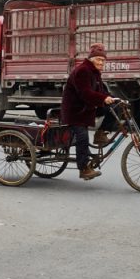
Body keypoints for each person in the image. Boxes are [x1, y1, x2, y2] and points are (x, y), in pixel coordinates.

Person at [61, 43, 118, 180]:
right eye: (99, 60)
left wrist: (111, 98)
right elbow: (85, 93)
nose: (101, 63)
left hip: (87, 108)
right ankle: (84, 169)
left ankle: (101, 133)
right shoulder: (83, 71)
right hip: (75, 111)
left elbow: (101, 90)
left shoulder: (94, 72)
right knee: (82, 137)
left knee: (116, 108)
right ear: (92, 59)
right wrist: (104, 98)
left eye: (103, 60)